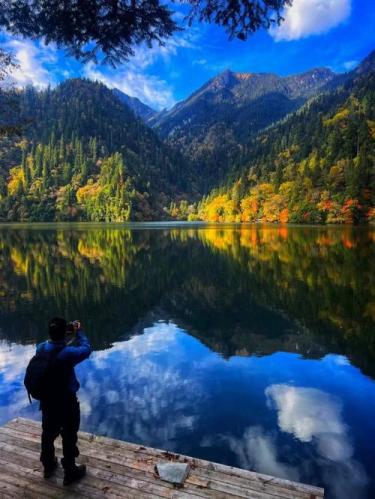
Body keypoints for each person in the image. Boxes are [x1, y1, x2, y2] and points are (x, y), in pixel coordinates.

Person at [37, 317, 91, 485]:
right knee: (69, 435)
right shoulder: (68, 354)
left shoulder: (40, 348)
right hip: (66, 402)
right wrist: (78, 332)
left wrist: (64, 335)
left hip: (47, 402)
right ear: (64, 333)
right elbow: (86, 349)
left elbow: (51, 344)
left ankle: (48, 465)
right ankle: (70, 470)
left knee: (48, 434)